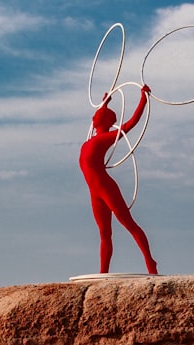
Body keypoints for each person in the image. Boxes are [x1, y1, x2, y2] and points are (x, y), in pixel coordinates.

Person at [79, 86, 159, 275]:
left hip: (105, 187)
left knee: (128, 224)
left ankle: (150, 262)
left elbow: (129, 125)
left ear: (106, 121)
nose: (94, 116)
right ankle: (103, 272)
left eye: (99, 114)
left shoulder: (104, 139)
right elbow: (97, 118)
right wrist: (105, 102)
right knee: (104, 233)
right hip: (94, 192)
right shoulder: (90, 140)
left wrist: (143, 99)